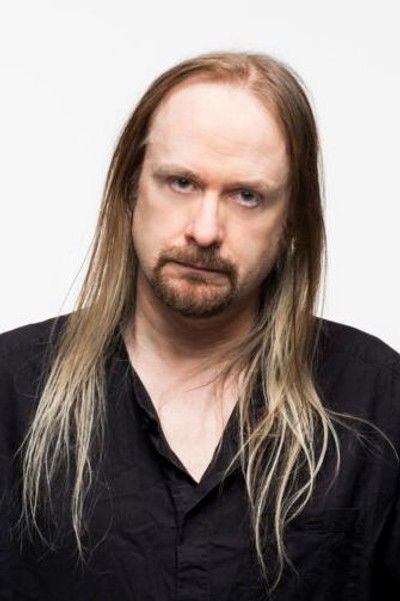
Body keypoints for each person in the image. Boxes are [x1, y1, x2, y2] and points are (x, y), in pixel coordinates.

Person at [0, 50, 399, 601]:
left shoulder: (378, 400)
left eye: (247, 196)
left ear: (291, 220)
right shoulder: (11, 390)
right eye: (181, 182)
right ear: (130, 188)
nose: (206, 230)